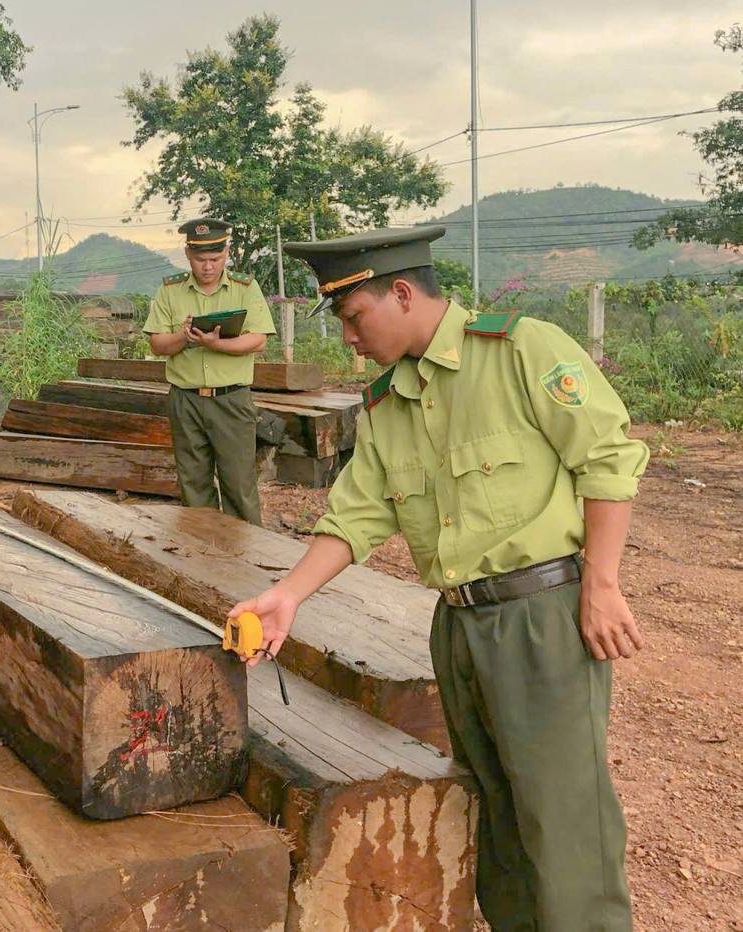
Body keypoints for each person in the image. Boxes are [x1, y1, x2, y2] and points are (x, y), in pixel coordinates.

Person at [229, 225, 648, 931]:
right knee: (498, 810)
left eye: (355, 319)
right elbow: (357, 514)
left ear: (400, 294)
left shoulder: (520, 350)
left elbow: (608, 459)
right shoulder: (389, 402)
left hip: (539, 616)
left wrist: (601, 583)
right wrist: (286, 595)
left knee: (563, 815)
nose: (350, 340)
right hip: (456, 625)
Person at [143, 217, 275, 525]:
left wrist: (216, 344)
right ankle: (203, 560)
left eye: (215, 259)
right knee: (193, 485)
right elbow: (157, 344)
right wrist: (184, 338)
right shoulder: (171, 291)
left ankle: (246, 559)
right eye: (200, 259)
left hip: (231, 400)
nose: (207, 266)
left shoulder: (244, 287)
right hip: (185, 401)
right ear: (188, 255)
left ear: (227, 251)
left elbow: (259, 340)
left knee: (239, 486)